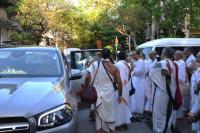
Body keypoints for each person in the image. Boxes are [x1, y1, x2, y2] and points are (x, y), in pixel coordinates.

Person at [85, 48, 123, 133]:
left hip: (97, 93)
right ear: (109, 55)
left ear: (101, 55)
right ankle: (111, 129)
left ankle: (99, 130)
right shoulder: (114, 67)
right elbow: (119, 83)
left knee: (98, 113)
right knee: (110, 112)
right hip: (109, 94)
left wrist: (86, 87)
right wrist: (120, 96)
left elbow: (87, 77)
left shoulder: (94, 64)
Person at [150, 47, 177, 133]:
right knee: (168, 112)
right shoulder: (174, 64)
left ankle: (159, 131)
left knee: (159, 114)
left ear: (163, 54)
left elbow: (152, 75)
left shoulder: (161, 63)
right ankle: (166, 130)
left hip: (161, 91)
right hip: (172, 92)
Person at [115, 51, 132, 130]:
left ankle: (119, 124)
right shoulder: (127, 65)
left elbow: (116, 78)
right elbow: (129, 76)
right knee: (125, 105)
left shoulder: (117, 65)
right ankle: (125, 123)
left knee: (118, 105)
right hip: (126, 87)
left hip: (119, 87)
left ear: (118, 57)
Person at [130, 50, 146, 119]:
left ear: (137, 55)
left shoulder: (141, 62)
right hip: (135, 81)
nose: (132, 56)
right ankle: (134, 111)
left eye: (133, 55)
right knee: (134, 97)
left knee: (139, 97)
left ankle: (139, 112)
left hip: (139, 82)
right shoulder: (135, 62)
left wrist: (133, 67)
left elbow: (139, 71)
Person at [174, 50, 189, 120]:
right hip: (177, 83)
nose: (174, 56)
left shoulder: (182, 63)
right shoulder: (177, 62)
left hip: (179, 84)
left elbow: (180, 75)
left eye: (175, 55)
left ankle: (179, 117)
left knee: (179, 99)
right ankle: (177, 116)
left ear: (179, 56)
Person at [144, 50, 158, 120]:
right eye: (149, 55)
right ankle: (147, 111)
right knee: (148, 95)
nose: (149, 56)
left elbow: (156, 72)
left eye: (151, 55)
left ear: (154, 55)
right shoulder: (149, 61)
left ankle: (151, 112)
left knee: (153, 96)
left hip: (154, 81)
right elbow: (146, 70)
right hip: (148, 80)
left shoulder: (157, 62)